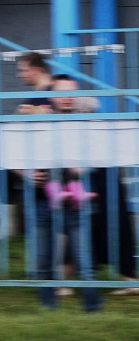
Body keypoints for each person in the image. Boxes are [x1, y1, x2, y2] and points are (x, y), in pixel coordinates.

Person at [31, 75, 102, 311]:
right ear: (52, 96)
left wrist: (77, 167)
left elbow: (93, 159)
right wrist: (27, 174)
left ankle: (93, 308)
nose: (68, 97)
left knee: (84, 260)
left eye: (72, 92)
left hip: (75, 201)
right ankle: (47, 308)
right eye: (63, 92)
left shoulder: (83, 124)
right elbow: (17, 152)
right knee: (44, 260)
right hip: (43, 200)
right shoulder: (38, 121)